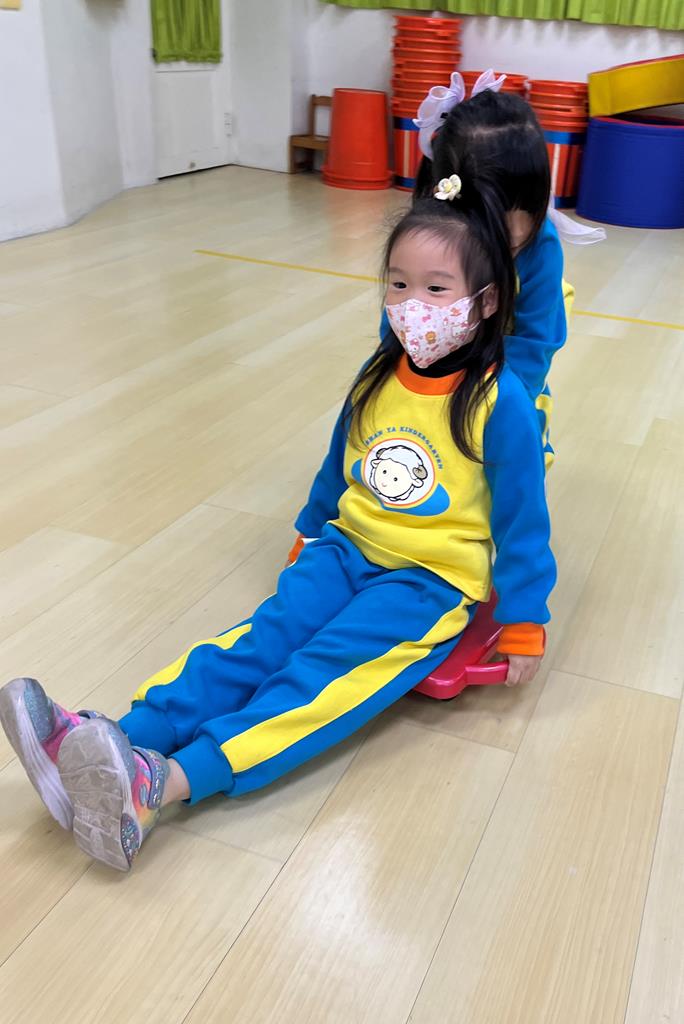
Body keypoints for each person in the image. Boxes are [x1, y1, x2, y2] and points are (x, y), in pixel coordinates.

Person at [0, 175, 556, 874]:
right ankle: (109, 740)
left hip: (430, 582)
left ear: (487, 302)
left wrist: (525, 619)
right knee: (260, 640)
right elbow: (342, 461)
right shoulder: (378, 374)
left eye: (436, 289)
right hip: (346, 549)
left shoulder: (500, 401)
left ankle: (159, 786)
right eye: (398, 283)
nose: (412, 305)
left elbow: (523, 521)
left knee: (318, 676)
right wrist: (312, 528)